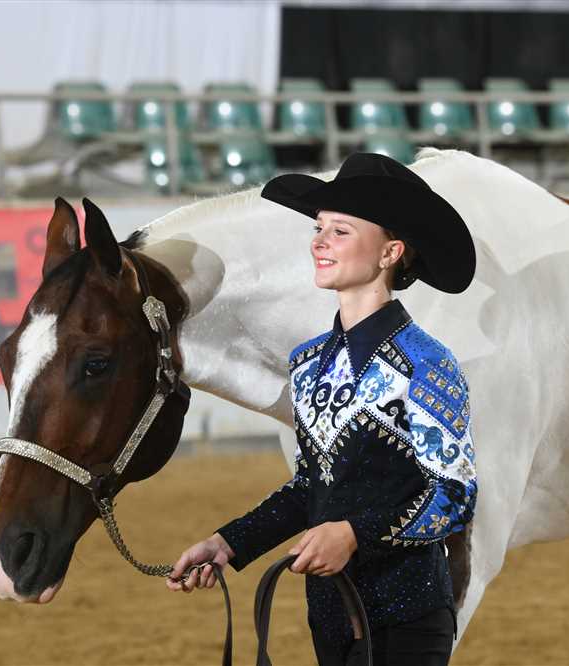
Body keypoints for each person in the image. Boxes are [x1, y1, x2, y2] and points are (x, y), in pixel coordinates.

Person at [165, 152, 478, 666]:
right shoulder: (308, 364)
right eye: (318, 228)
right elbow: (312, 487)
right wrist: (228, 543)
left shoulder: (427, 364)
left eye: (340, 231)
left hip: (407, 617)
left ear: (390, 252)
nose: (319, 241)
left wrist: (354, 535)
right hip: (329, 616)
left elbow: (454, 497)